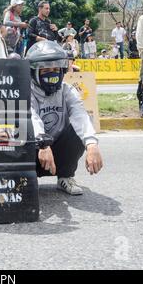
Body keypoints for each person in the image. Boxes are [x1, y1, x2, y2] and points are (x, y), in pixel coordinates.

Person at [27, 40, 103, 195]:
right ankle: (27, 178)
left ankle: (65, 177)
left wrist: (91, 144)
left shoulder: (67, 90)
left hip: (57, 150)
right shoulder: (26, 92)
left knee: (80, 127)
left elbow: (80, 115)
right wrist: (42, 143)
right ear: (33, 71)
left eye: (56, 68)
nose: (52, 73)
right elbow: (32, 117)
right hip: (34, 150)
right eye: (46, 69)